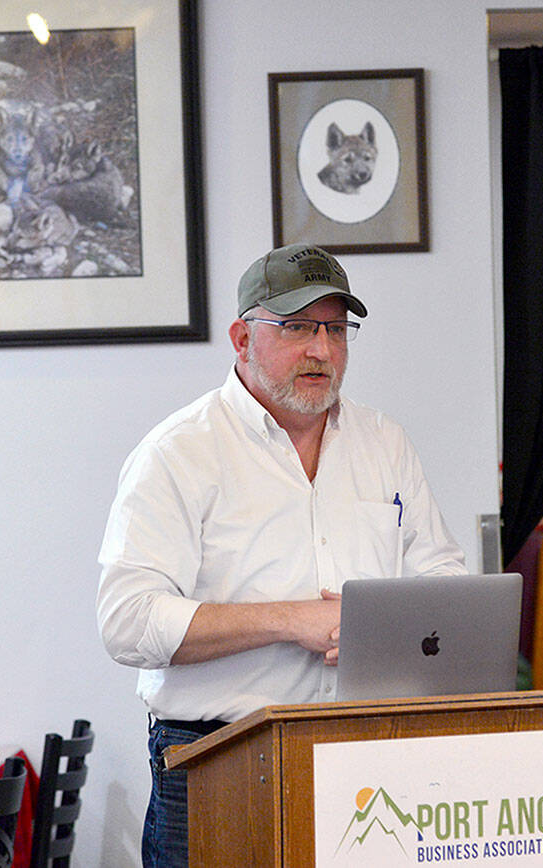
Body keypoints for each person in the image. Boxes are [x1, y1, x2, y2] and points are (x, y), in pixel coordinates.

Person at [96, 243, 467, 868]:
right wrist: (290, 619)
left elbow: (444, 579)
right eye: (297, 327)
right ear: (242, 339)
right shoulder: (178, 454)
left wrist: (388, 632)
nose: (321, 349)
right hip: (218, 764)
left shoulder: (385, 443)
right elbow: (127, 622)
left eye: (336, 328)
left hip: (367, 760)